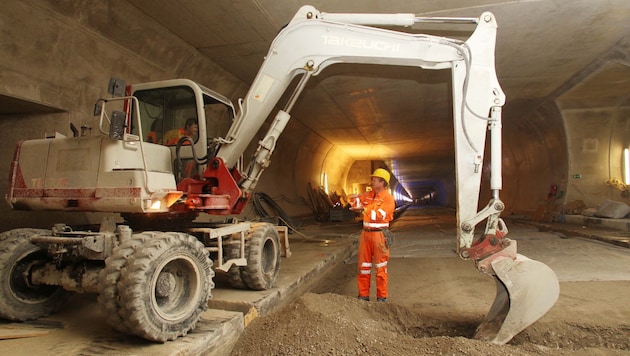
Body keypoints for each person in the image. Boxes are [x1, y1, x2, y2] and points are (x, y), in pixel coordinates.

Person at [349, 168, 395, 302]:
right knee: (363, 267)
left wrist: (364, 209)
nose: (372, 182)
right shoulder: (369, 195)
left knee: (380, 269)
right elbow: (357, 201)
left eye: (374, 180)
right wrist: (354, 200)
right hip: (366, 235)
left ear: (382, 183)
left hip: (379, 236)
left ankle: (381, 297)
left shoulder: (388, 199)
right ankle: (363, 295)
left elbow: (379, 215)